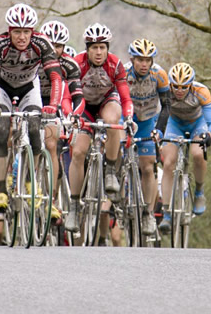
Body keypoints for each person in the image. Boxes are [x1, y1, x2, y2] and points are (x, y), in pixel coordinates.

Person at [0, 4, 64, 242]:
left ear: (33, 31)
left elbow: (56, 77)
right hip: (4, 89)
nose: (21, 37)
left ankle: (30, 183)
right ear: (9, 31)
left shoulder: (42, 44)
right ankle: (0, 190)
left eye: (26, 31)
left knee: (34, 127)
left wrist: (54, 105)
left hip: (30, 89)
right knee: (1, 131)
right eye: (17, 31)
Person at [64, 23, 134, 233]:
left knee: (114, 119)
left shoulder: (115, 65)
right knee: (78, 152)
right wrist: (72, 116)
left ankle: (111, 169)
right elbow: (68, 96)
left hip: (106, 101)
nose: (98, 52)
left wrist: (129, 117)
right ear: (87, 48)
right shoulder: (76, 64)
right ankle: (75, 206)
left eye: (102, 47)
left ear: (107, 48)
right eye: (94, 47)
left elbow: (125, 97)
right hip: (83, 105)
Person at [158, 63, 211, 232]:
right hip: (174, 124)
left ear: (191, 84)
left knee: (198, 154)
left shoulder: (201, 91)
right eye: (175, 86)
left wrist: (208, 135)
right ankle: (167, 214)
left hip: (197, 125)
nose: (179, 90)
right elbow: (159, 115)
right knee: (169, 163)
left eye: (184, 87)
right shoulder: (165, 91)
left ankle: (199, 191)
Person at [124, 38, 170, 235]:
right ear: (132, 60)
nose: (144, 64)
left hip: (147, 121)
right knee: (114, 150)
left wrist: (159, 130)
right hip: (126, 117)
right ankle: (116, 183)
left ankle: (149, 214)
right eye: (140, 60)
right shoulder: (124, 73)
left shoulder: (159, 75)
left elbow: (167, 106)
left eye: (147, 60)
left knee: (148, 166)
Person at [39, 20, 84, 214]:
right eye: (50, 44)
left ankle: (52, 200)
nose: (54, 50)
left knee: (52, 145)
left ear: (64, 47)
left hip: (54, 103)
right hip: (31, 99)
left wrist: (74, 115)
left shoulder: (69, 64)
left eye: (58, 46)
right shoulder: (32, 59)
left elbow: (77, 95)